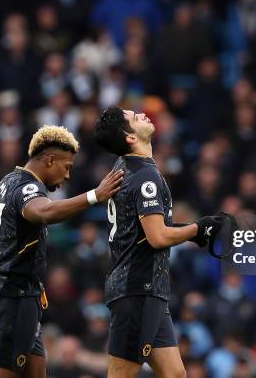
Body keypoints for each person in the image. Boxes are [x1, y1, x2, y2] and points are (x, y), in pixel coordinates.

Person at [0, 125, 124, 378]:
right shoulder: (27, 189)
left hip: (15, 298)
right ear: (50, 160)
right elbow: (44, 212)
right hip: (10, 300)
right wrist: (95, 196)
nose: (68, 175)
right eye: (67, 166)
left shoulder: (0, 186)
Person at [93, 106, 223, 378]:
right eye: (133, 117)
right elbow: (157, 236)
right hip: (138, 287)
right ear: (130, 137)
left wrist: (194, 232)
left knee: (175, 374)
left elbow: (146, 230)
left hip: (146, 288)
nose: (141, 114)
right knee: (120, 375)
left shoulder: (124, 168)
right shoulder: (145, 175)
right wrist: (198, 228)